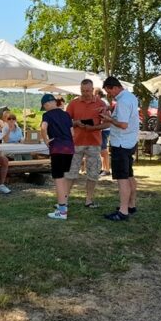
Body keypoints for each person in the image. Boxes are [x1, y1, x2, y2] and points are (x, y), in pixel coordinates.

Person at [64, 79, 109, 209]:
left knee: (93, 173)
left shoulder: (100, 103)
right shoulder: (73, 103)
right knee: (71, 173)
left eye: (88, 91)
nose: (85, 93)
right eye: (83, 91)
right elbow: (65, 123)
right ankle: (64, 200)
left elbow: (107, 123)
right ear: (80, 89)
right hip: (76, 143)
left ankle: (89, 200)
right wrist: (76, 123)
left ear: (93, 89)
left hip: (94, 143)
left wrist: (93, 128)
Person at [99, 76, 139, 221]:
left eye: (109, 92)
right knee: (129, 175)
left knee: (122, 179)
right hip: (130, 142)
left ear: (114, 87)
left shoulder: (122, 102)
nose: (110, 95)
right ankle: (131, 205)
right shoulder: (130, 96)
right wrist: (110, 107)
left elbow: (123, 124)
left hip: (121, 144)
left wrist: (109, 119)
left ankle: (123, 212)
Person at [40, 93, 75, 219]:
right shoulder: (66, 114)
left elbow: (43, 128)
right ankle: (63, 203)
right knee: (64, 177)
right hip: (69, 148)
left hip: (57, 148)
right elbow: (72, 132)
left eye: (44, 106)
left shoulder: (47, 115)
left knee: (58, 179)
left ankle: (62, 211)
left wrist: (46, 140)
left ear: (47, 104)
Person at [96, 88, 112, 176]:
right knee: (102, 150)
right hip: (103, 129)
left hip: (104, 129)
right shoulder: (103, 101)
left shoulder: (102, 102)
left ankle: (107, 169)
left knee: (103, 150)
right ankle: (103, 168)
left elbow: (108, 116)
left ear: (98, 94)